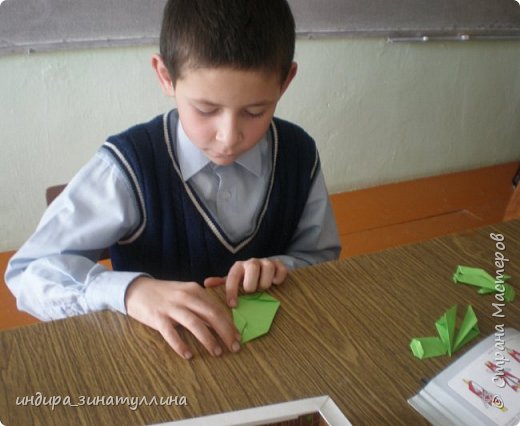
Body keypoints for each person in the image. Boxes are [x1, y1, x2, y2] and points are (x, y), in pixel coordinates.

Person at [5, 0, 341, 359]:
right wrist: (131, 291)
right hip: (157, 363)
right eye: (206, 110)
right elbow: (28, 272)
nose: (229, 137)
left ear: (285, 81)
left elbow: (320, 256)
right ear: (166, 76)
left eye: (255, 111)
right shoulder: (129, 166)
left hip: (269, 356)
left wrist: (280, 267)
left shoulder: (298, 153)